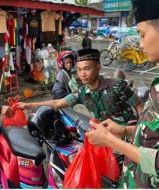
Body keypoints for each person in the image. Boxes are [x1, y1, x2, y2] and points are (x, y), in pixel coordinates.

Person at [86, 0, 159, 188]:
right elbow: (151, 135)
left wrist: (110, 141)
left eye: (142, 35)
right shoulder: (156, 84)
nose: (141, 45)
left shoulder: (117, 86)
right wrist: (123, 131)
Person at [17, 49, 143, 125]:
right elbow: (57, 103)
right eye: (79, 70)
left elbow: (139, 106)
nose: (83, 74)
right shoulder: (82, 92)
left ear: (98, 68)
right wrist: (27, 105)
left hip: (127, 136)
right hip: (104, 138)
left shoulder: (117, 86)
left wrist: (139, 132)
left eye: (87, 69)